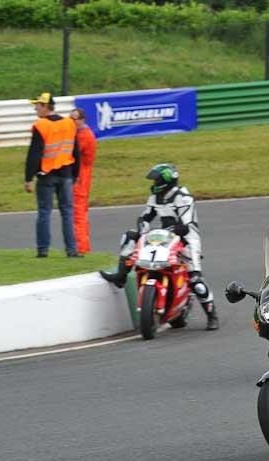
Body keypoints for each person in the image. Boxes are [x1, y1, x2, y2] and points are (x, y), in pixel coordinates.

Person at [99, 164, 219, 331]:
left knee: (195, 280)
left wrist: (166, 231)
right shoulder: (155, 197)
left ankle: (212, 315)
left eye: (157, 180)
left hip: (187, 238)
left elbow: (185, 226)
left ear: (166, 181)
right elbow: (146, 216)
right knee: (130, 236)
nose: (154, 183)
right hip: (164, 236)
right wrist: (143, 227)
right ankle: (121, 276)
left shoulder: (183, 197)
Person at [24, 92, 80, 258]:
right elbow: (75, 150)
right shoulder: (69, 124)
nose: (35, 109)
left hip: (46, 175)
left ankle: (43, 250)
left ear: (45, 106)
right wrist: (75, 174)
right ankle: (72, 250)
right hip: (67, 174)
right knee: (67, 212)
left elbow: (34, 154)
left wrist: (28, 178)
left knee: (44, 212)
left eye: (37, 106)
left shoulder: (41, 126)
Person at [69, 108, 97, 255]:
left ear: (81, 120)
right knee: (80, 213)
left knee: (78, 213)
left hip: (80, 178)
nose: (71, 121)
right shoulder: (80, 134)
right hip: (81, 176)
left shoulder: (84, 136)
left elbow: (71, 153)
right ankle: (82, 246)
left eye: (74, 119)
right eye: (70, 118)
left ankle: (81, 247)